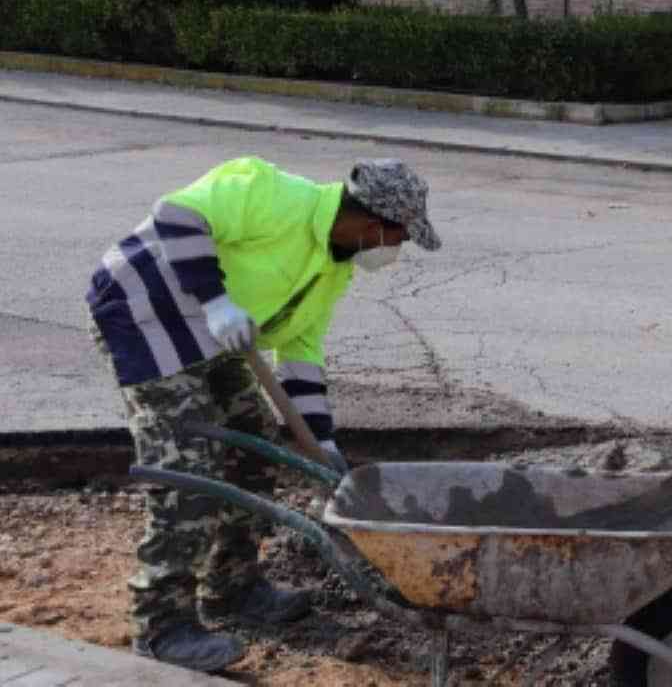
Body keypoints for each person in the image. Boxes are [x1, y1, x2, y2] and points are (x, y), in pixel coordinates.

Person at [86, 156, 441, 671]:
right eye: (401, 238)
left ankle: (232, 588)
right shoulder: (274, 192)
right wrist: (216, 302)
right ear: (372, 223)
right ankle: (161, 626)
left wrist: (323, 445)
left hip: (217, 333)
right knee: (188, 470)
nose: (396, 251)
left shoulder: (332, 268)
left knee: (253, 449)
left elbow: (301, 351)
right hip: (146, 313)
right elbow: (176, 214)